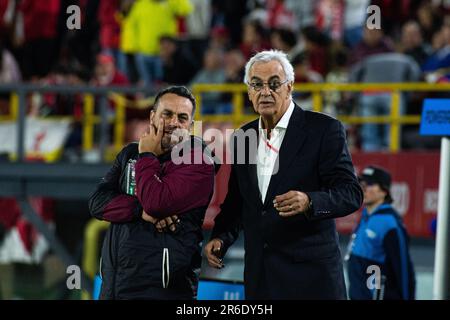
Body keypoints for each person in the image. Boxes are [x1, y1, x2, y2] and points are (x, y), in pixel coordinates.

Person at [204, 50, 363, 300]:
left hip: (311, 281)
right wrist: (221, 236)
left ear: (289, 87)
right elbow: (238, 201)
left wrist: (310, 201)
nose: (265, 91)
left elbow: (351, 194)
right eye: (256, 84)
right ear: (248, 91)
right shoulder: (243, 137)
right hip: (261, 279)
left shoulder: (324, 129)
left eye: (274, 83)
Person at [88, 86, 216, 299]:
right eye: (167, 114)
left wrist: (147, 155)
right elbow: (97, 202)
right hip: (114, 288)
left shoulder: (198, 161)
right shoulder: (130, 153)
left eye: (182, 117)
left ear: (190, 125)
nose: (174, 122)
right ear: (152, 116)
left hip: (162, 292)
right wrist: (139, 211)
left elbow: (155, 203)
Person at [346, 165, 416, 300]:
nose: (364, 188)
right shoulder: (367, 216)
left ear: (384, 191)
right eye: (362, 183)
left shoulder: (389, 223)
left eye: (371, 184)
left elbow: (403, 269)